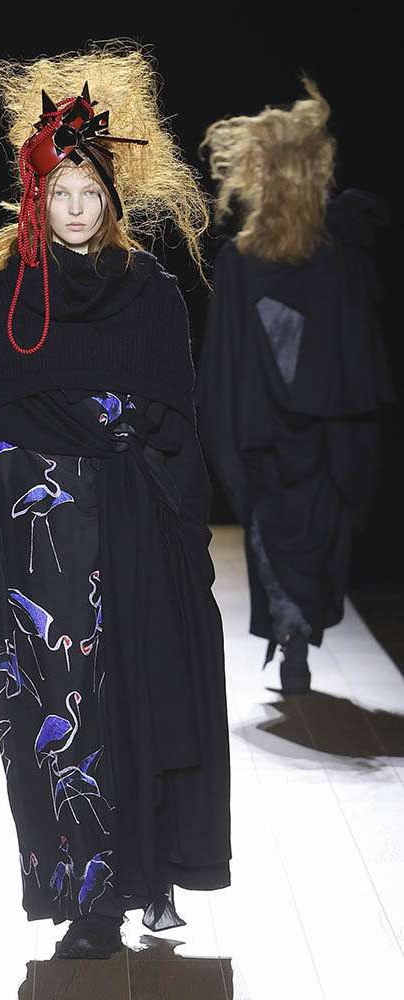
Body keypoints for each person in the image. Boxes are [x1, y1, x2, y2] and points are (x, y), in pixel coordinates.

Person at [0, 42, 231, 959]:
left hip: (136, 535)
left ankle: (134, 879)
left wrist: (108, 430)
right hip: (41, 559)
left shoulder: (149, 293)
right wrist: (101, 423)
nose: (75, 208)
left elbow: (174, 419)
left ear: (111, 199)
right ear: (35, 200)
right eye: (59, 193)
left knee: (133, 708)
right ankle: (85, 899)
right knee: (56, 726)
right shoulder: (4, 301)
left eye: (90, 192)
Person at [196, 78, 394, 694]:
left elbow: (223, 370)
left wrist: (226, 448)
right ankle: (297, 638)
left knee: (275, 548)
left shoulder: (242, 261)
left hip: (265, 442)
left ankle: (292, 637)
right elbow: (362, 348)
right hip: (328, 441)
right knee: (316, 547)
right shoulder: (339, 255)